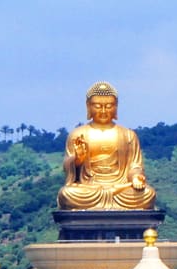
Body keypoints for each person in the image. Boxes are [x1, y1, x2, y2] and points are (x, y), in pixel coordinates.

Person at [58, 82, 156, 210]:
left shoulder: (128, 135)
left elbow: (135, 166)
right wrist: (78, 159)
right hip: (90, 187)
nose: (103, 111)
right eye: (98, 106)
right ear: (88, 106)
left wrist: (136, 177)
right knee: (67, 194)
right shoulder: (78, 134)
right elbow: (68, 170)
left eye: (109, 106)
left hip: (120, 187)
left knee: (148, 194)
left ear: (116, 107)